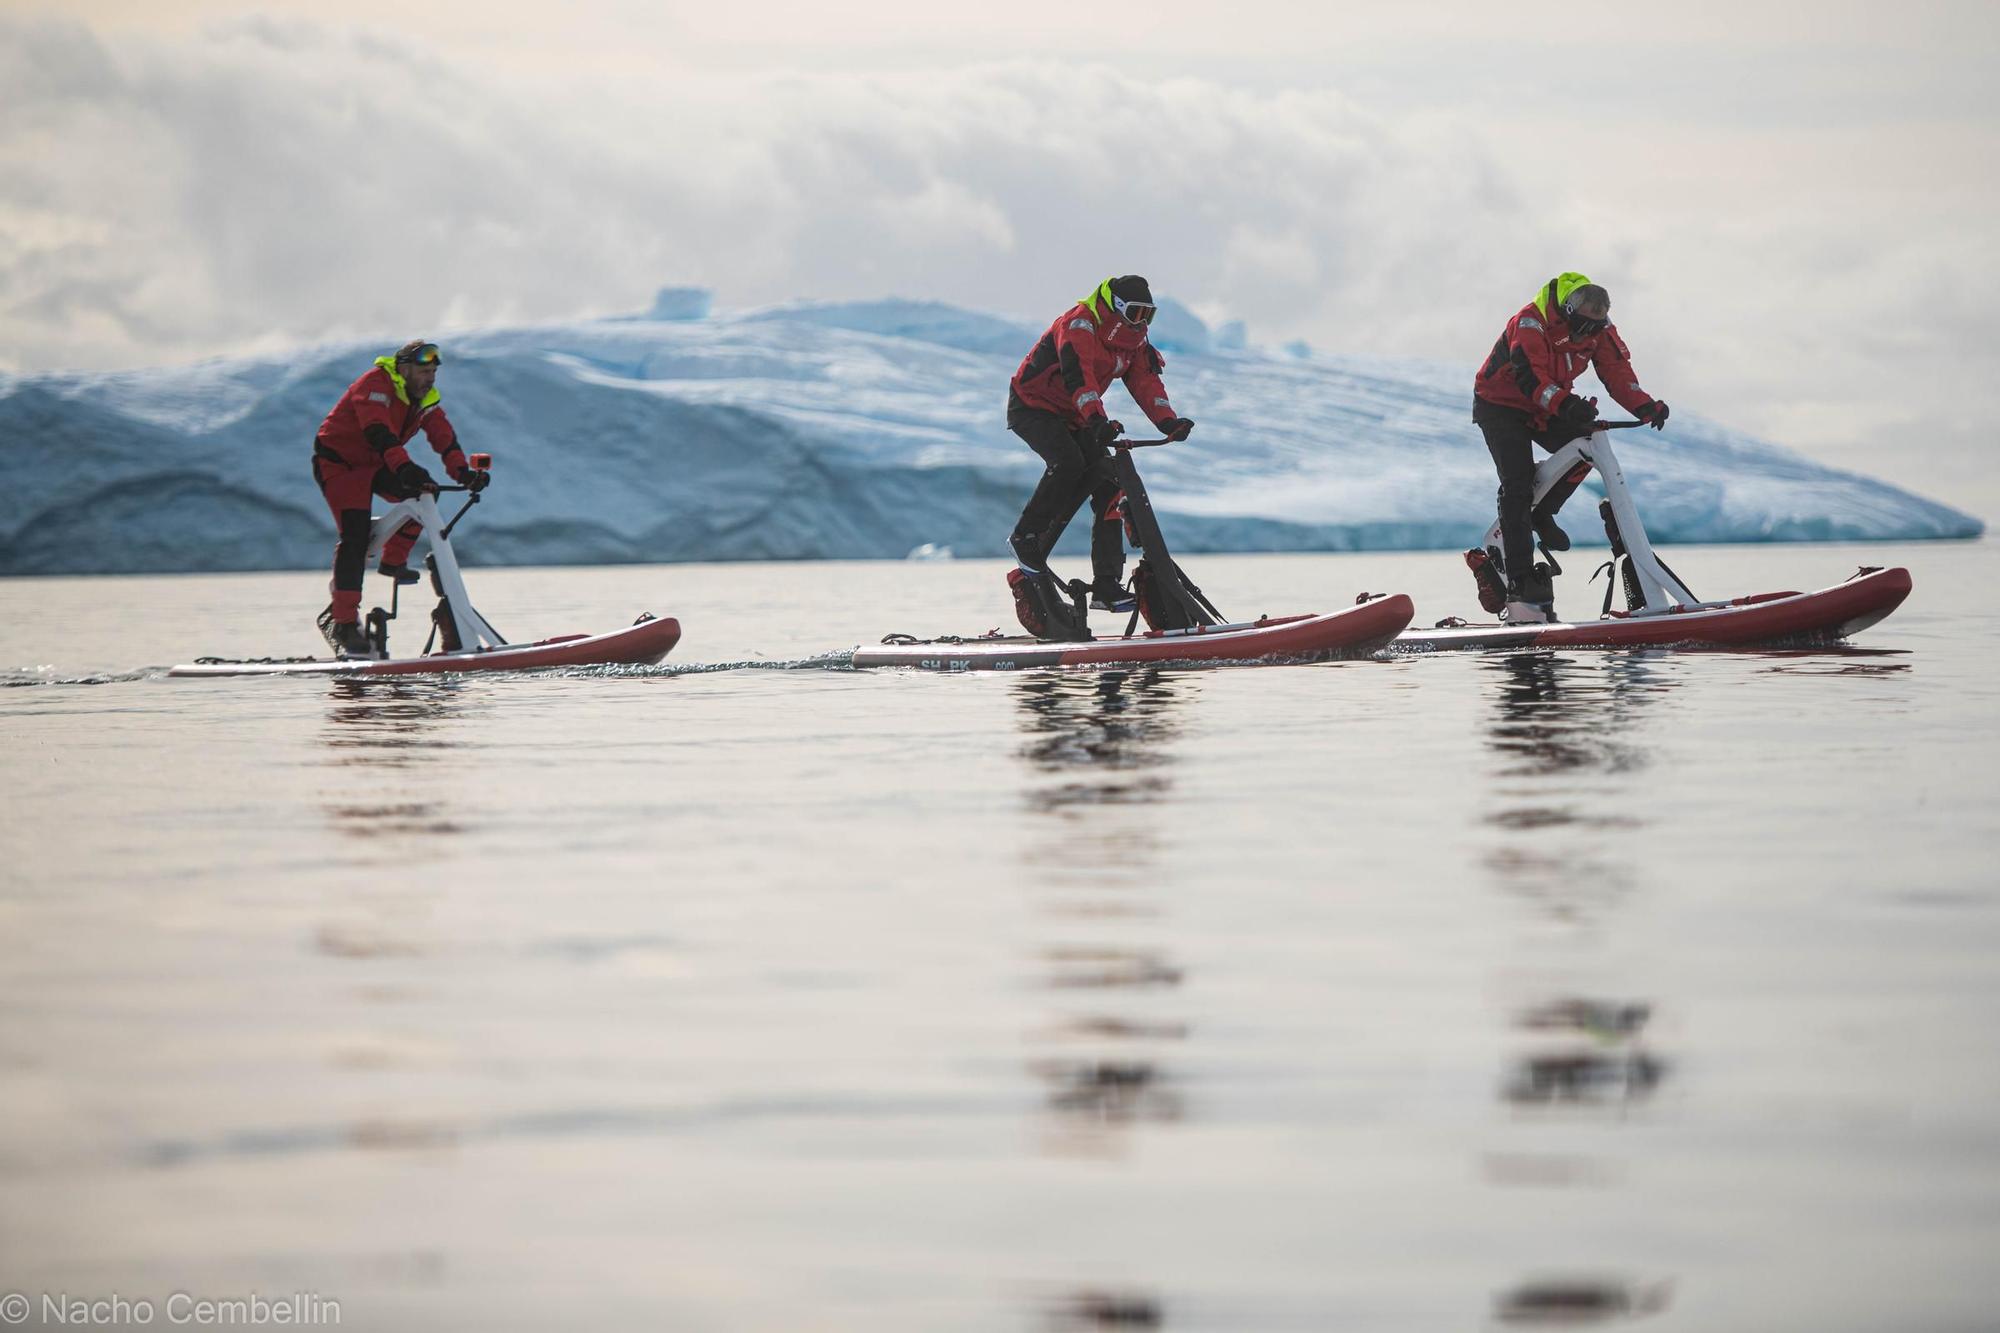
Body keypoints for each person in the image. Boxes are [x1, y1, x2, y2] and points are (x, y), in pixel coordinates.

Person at [1473, 272, 1669, 621]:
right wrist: (1566, 405)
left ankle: (1543, 512)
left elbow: (1617, 372)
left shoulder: (1600, 329)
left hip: (1546, 404)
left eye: (1596, 328)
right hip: (1501, 406)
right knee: (1516, 483)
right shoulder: (1530, 322)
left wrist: (1645, 405)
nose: (1587, 335)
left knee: (1587, 445)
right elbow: (1530, 377)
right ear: (1566, 312)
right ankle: (1519, 579)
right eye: (1582, 326)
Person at [1007, 275, 1196, 612]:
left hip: (1076, 415)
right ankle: (1026, 537)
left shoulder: (1134, 341)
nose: (1141, 323)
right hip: (1033, 407)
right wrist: (1096, 420)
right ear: (1116, 307)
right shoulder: (1080, 324)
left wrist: (1169, 422)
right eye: (1135, 313)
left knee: (1110, 483)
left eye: (1147, 315)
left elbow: (1145, 381)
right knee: (1069, 463)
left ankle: (1107, 587)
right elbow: (1078, 377)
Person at [310, 339, 488, 656]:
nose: (430, 378)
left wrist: (463, 473)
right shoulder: (375, 384)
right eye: (424, 371)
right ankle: (344, 621)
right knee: (354, 534)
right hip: (340, 464)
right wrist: (404, 466)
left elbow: (443, 437)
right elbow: (377, 432)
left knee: (424, 493)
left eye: (433, 371)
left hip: (377, 462)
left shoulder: (425, 398)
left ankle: (393, 562)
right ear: (403, 369)